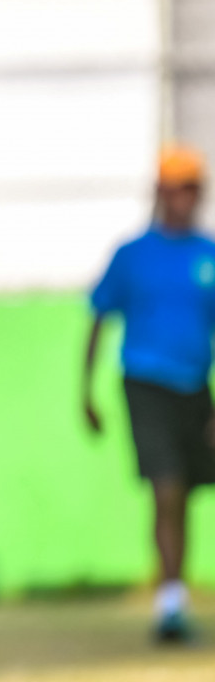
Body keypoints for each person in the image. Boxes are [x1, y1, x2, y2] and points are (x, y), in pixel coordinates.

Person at [85, 144, 215, 644]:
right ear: (159, 193)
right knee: (167, 489)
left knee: (187, 497)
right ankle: (170, 607)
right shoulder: (132, 255)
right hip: (144, 384)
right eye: (173, 188)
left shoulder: (207, 255)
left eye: (190, 189)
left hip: (196, 387)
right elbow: (98, 318)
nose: (181, 198)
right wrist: (86, 393)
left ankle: (177, 594)